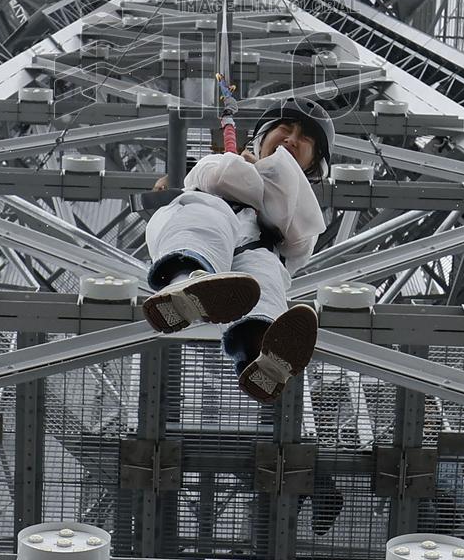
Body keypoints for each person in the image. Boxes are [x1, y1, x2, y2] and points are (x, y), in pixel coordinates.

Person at [142, 97, 333, 403]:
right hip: (199, 224)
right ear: (262, 137)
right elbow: (219, 177)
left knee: (265, 275)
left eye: (305, 139)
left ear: (314, 164)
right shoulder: (220, 167)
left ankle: (264, 352)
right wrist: (253, 171)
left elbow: (296, 231)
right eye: (285, 129)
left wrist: (262, 171)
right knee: (208, 215)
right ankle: (183, 285)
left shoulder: (301, 203)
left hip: (253, 247)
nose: (292, 140)